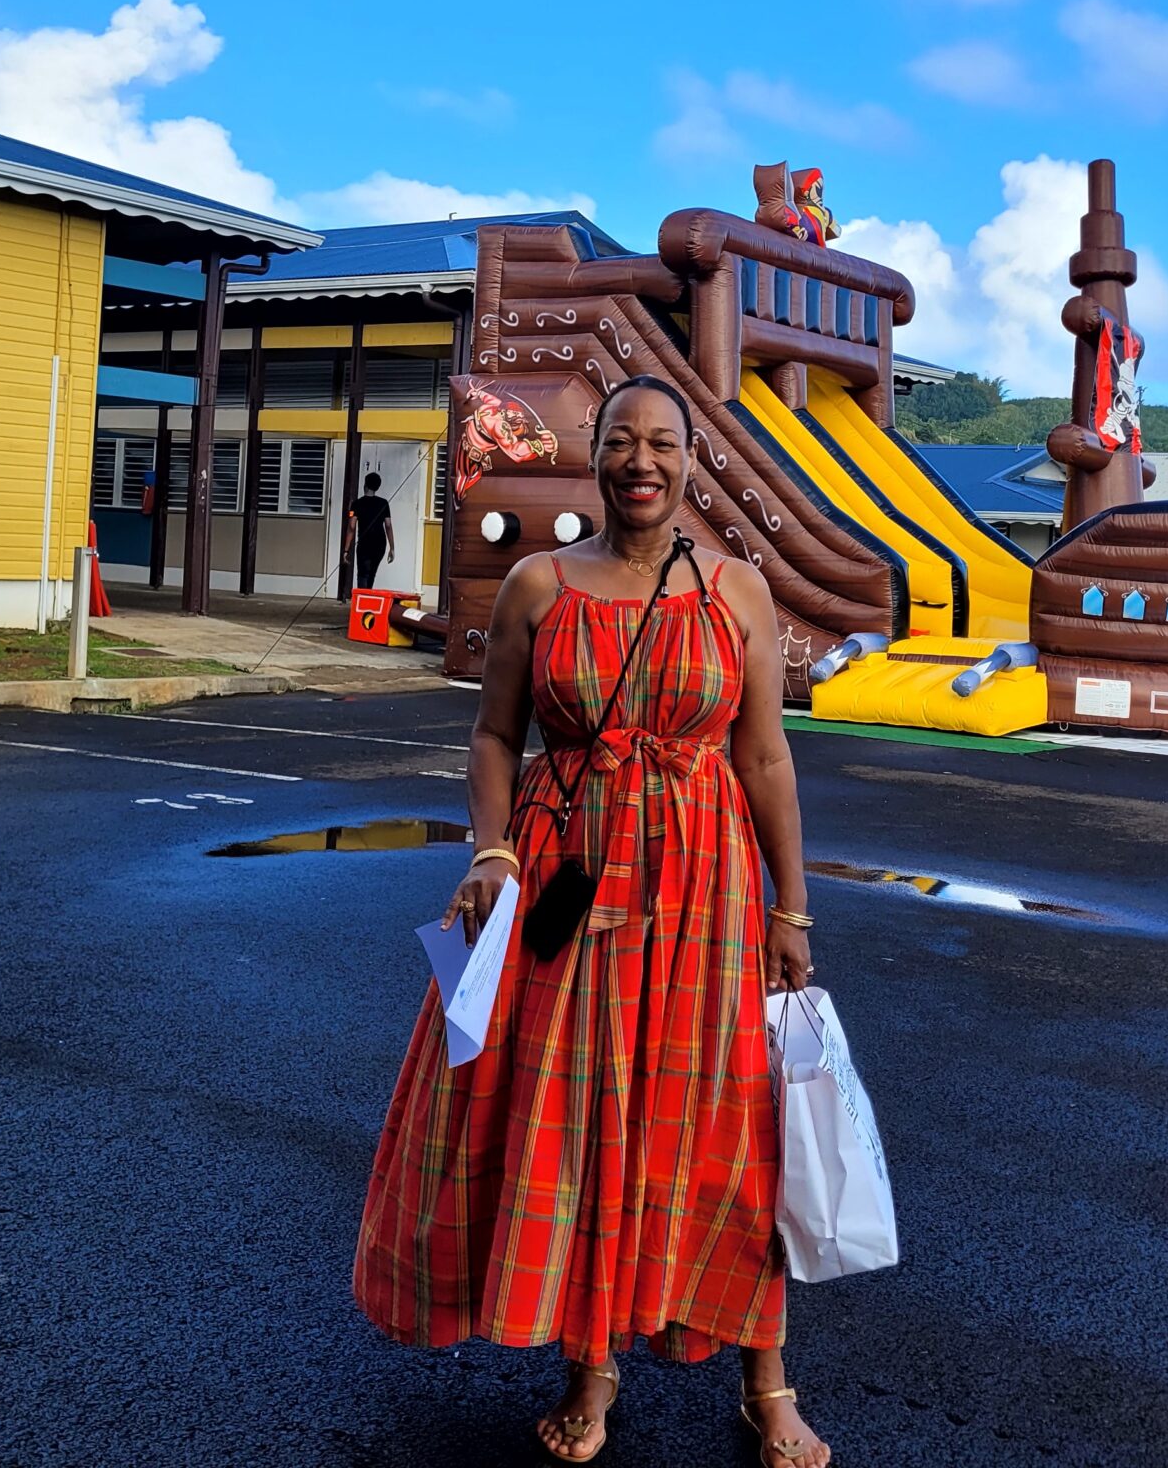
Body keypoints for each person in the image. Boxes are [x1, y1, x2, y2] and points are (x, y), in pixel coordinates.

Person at [355, 376, 831, 1467]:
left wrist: (791, 906)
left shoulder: (739, 591)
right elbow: (494, 737)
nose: (641, 462)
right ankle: (590, 1367)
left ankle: (767, 1380)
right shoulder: (538, 585)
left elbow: (764, 757)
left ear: (690, 460)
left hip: (703, 890)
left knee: (723, 1127)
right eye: (622, 441)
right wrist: (490, 849)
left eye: (662, 443)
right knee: (577, 1117)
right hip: (565, 879)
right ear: (597, 454)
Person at [346, 472, 394, 591]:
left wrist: (346, 549)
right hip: (380, 543)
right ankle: (368, 596)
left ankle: (362, 597)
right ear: (377, 487)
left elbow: (352, 526)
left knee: (363, 573)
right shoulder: (383, 503)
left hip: (364, 543)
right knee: (372, 573)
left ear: (365, 485)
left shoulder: (356, 503)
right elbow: (388, 525)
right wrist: (392, 548)